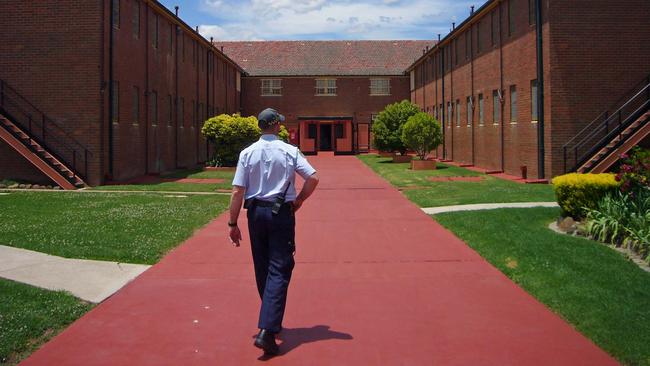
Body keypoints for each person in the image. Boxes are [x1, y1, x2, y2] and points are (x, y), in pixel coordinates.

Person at [227, 108, 319, 356]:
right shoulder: (289, 151)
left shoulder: (247, 153)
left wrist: (232, 223)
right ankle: (267, 330)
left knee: (262, 266)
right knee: (280, 267)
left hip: (255, 213)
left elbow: (238, 191)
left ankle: (269, 316)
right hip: (281, 214)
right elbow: (313, 178)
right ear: (277, 126)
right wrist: (299, 201)